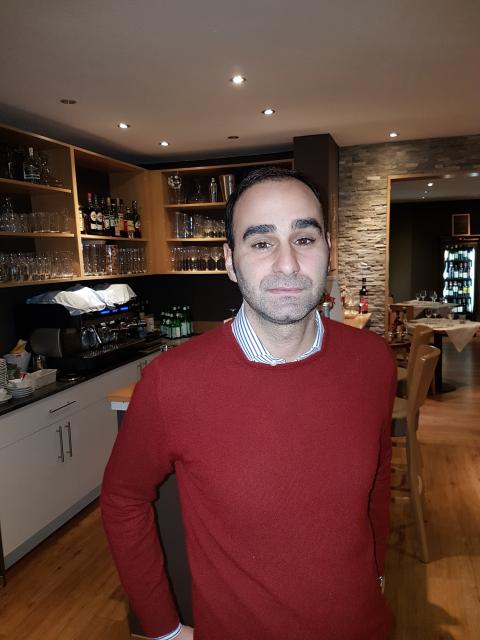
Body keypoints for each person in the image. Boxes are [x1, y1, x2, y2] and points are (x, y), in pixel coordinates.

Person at [101, 167, 397, 640]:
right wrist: (162, 630)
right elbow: (123, 498)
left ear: (328, 250)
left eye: (304, 239)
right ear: (230, 261)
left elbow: (378, 480)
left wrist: (377, 571)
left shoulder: (372, 361)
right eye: (261, 243)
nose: (287, 264)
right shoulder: (171, 383)